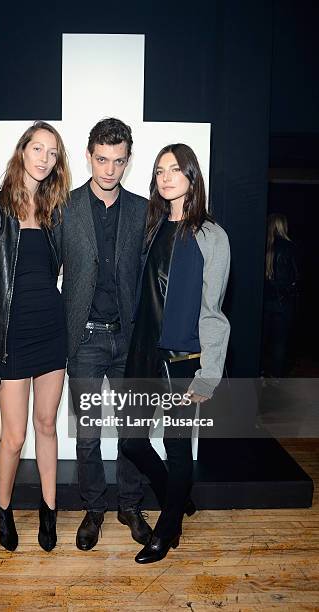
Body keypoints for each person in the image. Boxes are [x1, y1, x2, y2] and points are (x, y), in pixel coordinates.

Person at [0, 121, 71, 552]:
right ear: (22, 151)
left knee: (47, 425)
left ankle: (48, 512)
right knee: (13, 437)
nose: (44, 158)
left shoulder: (54, 212)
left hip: (50, 330)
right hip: (8, 335)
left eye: (52, 152)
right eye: (38, 148)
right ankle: (3, 511)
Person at [120, 143, 230, 564]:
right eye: (160, 171)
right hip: (144, 355)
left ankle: (166, 532)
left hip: (183, 361)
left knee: (177, 446)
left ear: (191, 177)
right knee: (132, 443)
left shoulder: (211, 236)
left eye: (175, 170)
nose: (166, 177)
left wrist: (208, 374)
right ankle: (175, 496)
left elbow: (214, 311)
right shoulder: (152, 227)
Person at [54, 117, 152, 550]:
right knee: (89, 433)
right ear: (89, 155)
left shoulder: (142, 209)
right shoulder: (65, 208)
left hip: (129, 339)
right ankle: (93, 508)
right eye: (101, 159)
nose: (109, 169)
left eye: (118, 161)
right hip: (86, 340)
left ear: (127, 161)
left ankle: (130, 504)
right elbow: (44, 270)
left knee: (134, 430)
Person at [262, 213, 298, 377]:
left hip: (264, 302)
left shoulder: (263, 245)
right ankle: (276, 377)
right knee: (279, 343)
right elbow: (296, 277)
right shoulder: (289, 247)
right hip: (283, 303)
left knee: (263, 341)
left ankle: (261, 372)